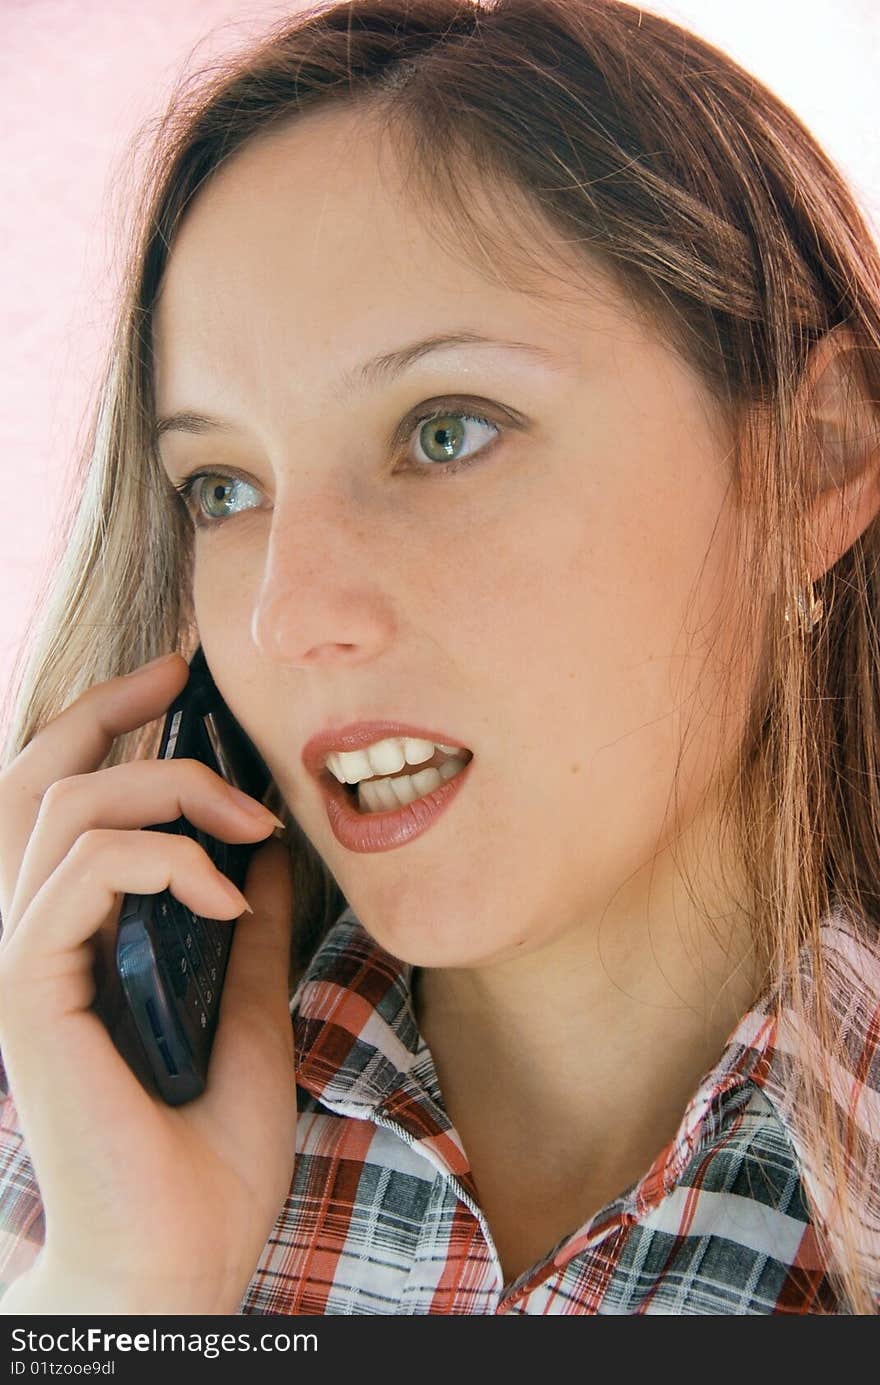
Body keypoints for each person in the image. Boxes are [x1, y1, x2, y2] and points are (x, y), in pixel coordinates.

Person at [0, 0, 879, 1317]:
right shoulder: (72, 1131)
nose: (284, 619)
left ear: (815, 465)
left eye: (448, 428)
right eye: (224, 488)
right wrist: (125, 1288)